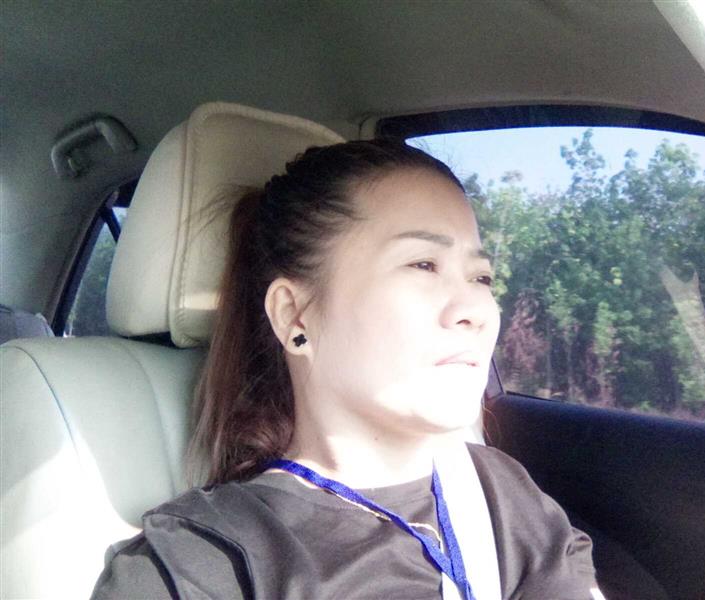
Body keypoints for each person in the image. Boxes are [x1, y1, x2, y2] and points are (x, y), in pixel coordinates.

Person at [91, 139, 600, 599]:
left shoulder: (502, 495)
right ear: (295, 315)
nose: (476, 309)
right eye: (423, 264)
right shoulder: (198, 566)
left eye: (481, 277)